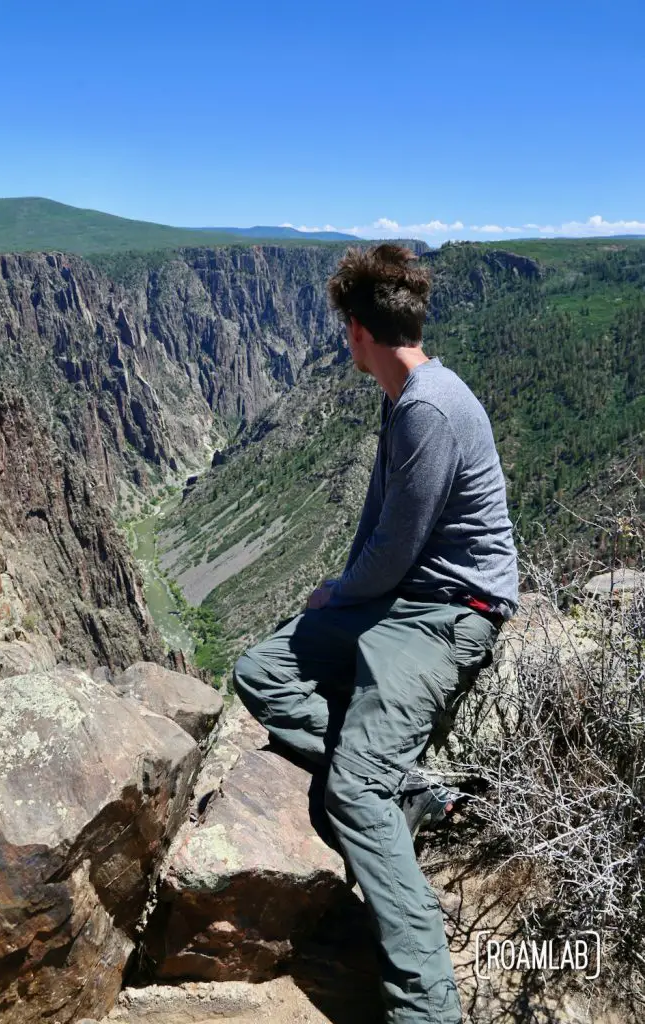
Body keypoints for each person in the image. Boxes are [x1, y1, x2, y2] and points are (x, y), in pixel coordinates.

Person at [233, 243, 519, 1024]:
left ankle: (426, 1006)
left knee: (354, 787)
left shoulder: (427, 405)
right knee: (259, 670)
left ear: (356, 332)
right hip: (400, 600)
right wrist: (336, 601)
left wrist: (338, 591)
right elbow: (380, 532)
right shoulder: (405, 395)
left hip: (450, 610)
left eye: (342, 332)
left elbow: (395, 549)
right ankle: (410, 785)